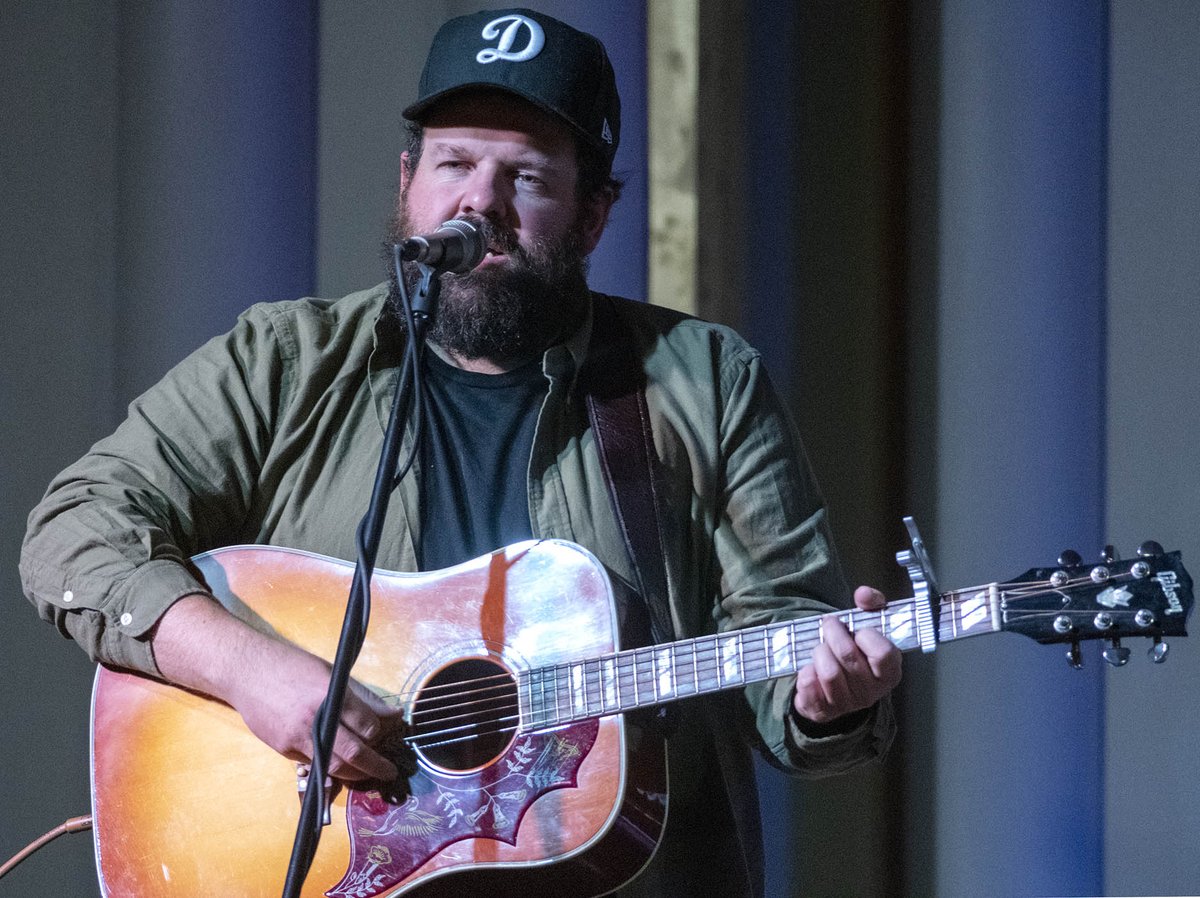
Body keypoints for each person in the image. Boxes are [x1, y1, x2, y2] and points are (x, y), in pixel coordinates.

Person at [20, 8, 900, 896]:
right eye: (454, 164)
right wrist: (257, 672)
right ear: (409, 183)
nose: (480, 201)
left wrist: (824, 699)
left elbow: (786, 654)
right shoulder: (284, 362)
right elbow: (74, 531)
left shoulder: (704, 381)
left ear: (594, 215)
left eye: (524, 175)